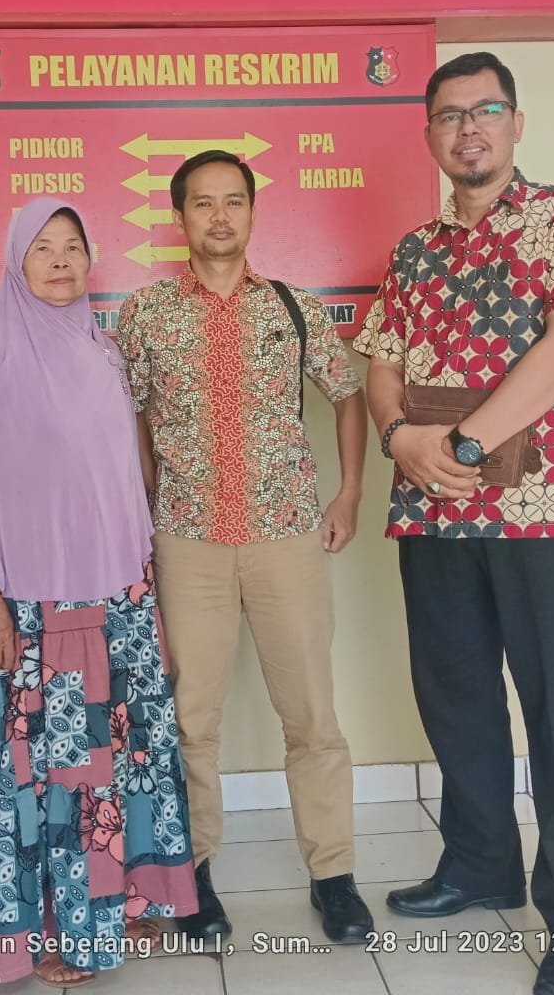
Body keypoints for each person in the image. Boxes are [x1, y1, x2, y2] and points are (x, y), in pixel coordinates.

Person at [353, 53, 554, 995]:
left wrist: (464, 444)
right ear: (429, 134)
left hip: (540, 512)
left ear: (515, 123)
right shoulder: (414, 251)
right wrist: (399, 439)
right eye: (448, 115)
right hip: (429, 512)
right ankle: (478, 865)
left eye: (485, 110)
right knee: (456, 702)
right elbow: (380, 363)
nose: (467, 128)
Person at [0, 198, 197, 989]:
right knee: (49, 778)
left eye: (72, 246)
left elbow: (121, 479)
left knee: (123, 763)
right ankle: (50, 930)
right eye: (42, 247)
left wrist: (147, 595)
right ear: (16, 263)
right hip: (35, 607)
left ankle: (117, 908)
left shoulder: (103, 351)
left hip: (119, 597)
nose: (59, 260)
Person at [114, 149, 374, 945]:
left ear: (252, 212)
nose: (219, 216)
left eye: (233, 201)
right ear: (179, 217)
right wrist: (142, 515)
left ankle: (333, 875)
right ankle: (191, 875)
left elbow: (348, 394)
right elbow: (130, 418)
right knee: (190, 720)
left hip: (283, 535)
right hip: (186, 541)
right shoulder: (146, 313)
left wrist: (348, 493)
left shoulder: (291, 309)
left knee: (312, 716)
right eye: (203, 203)